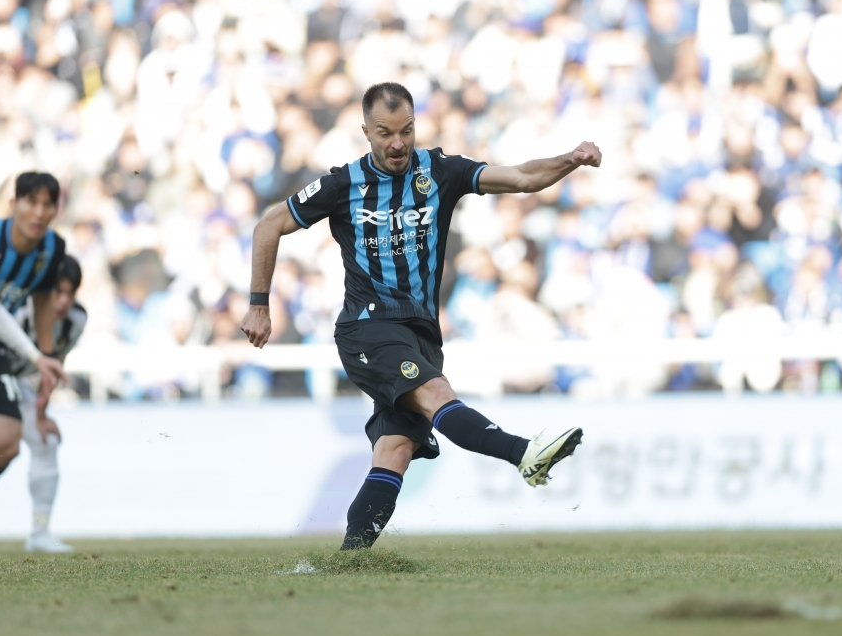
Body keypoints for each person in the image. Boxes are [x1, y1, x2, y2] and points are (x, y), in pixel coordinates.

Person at [241, 82, 601, 550]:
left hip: (422, 335)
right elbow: (269, 224)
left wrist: (570, 159)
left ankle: (351, 557)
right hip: (368, 328)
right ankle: (524, 454)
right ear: (366, 131)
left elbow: (520, 178)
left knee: (394, 450)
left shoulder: (440, 171)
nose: (398, 143)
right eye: (385, 133)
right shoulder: (343, 184)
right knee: (436, 394)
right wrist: (259, 303)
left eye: (406, 130)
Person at [0, 174, 67, 508]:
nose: (38, 212)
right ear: (13, 204)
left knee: (6, 442)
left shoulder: (51, 250)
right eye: (31, 201)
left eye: (47, 204)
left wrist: (42, 355)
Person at [6, 256, 86, 552]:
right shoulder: (20, 308)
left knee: (47, 442)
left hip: (17, 385)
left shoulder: (76, 320)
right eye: (57, 291)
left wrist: (41, 413)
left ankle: (39, 534)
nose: (63, 300)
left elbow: (55, 365)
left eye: (70, 293)